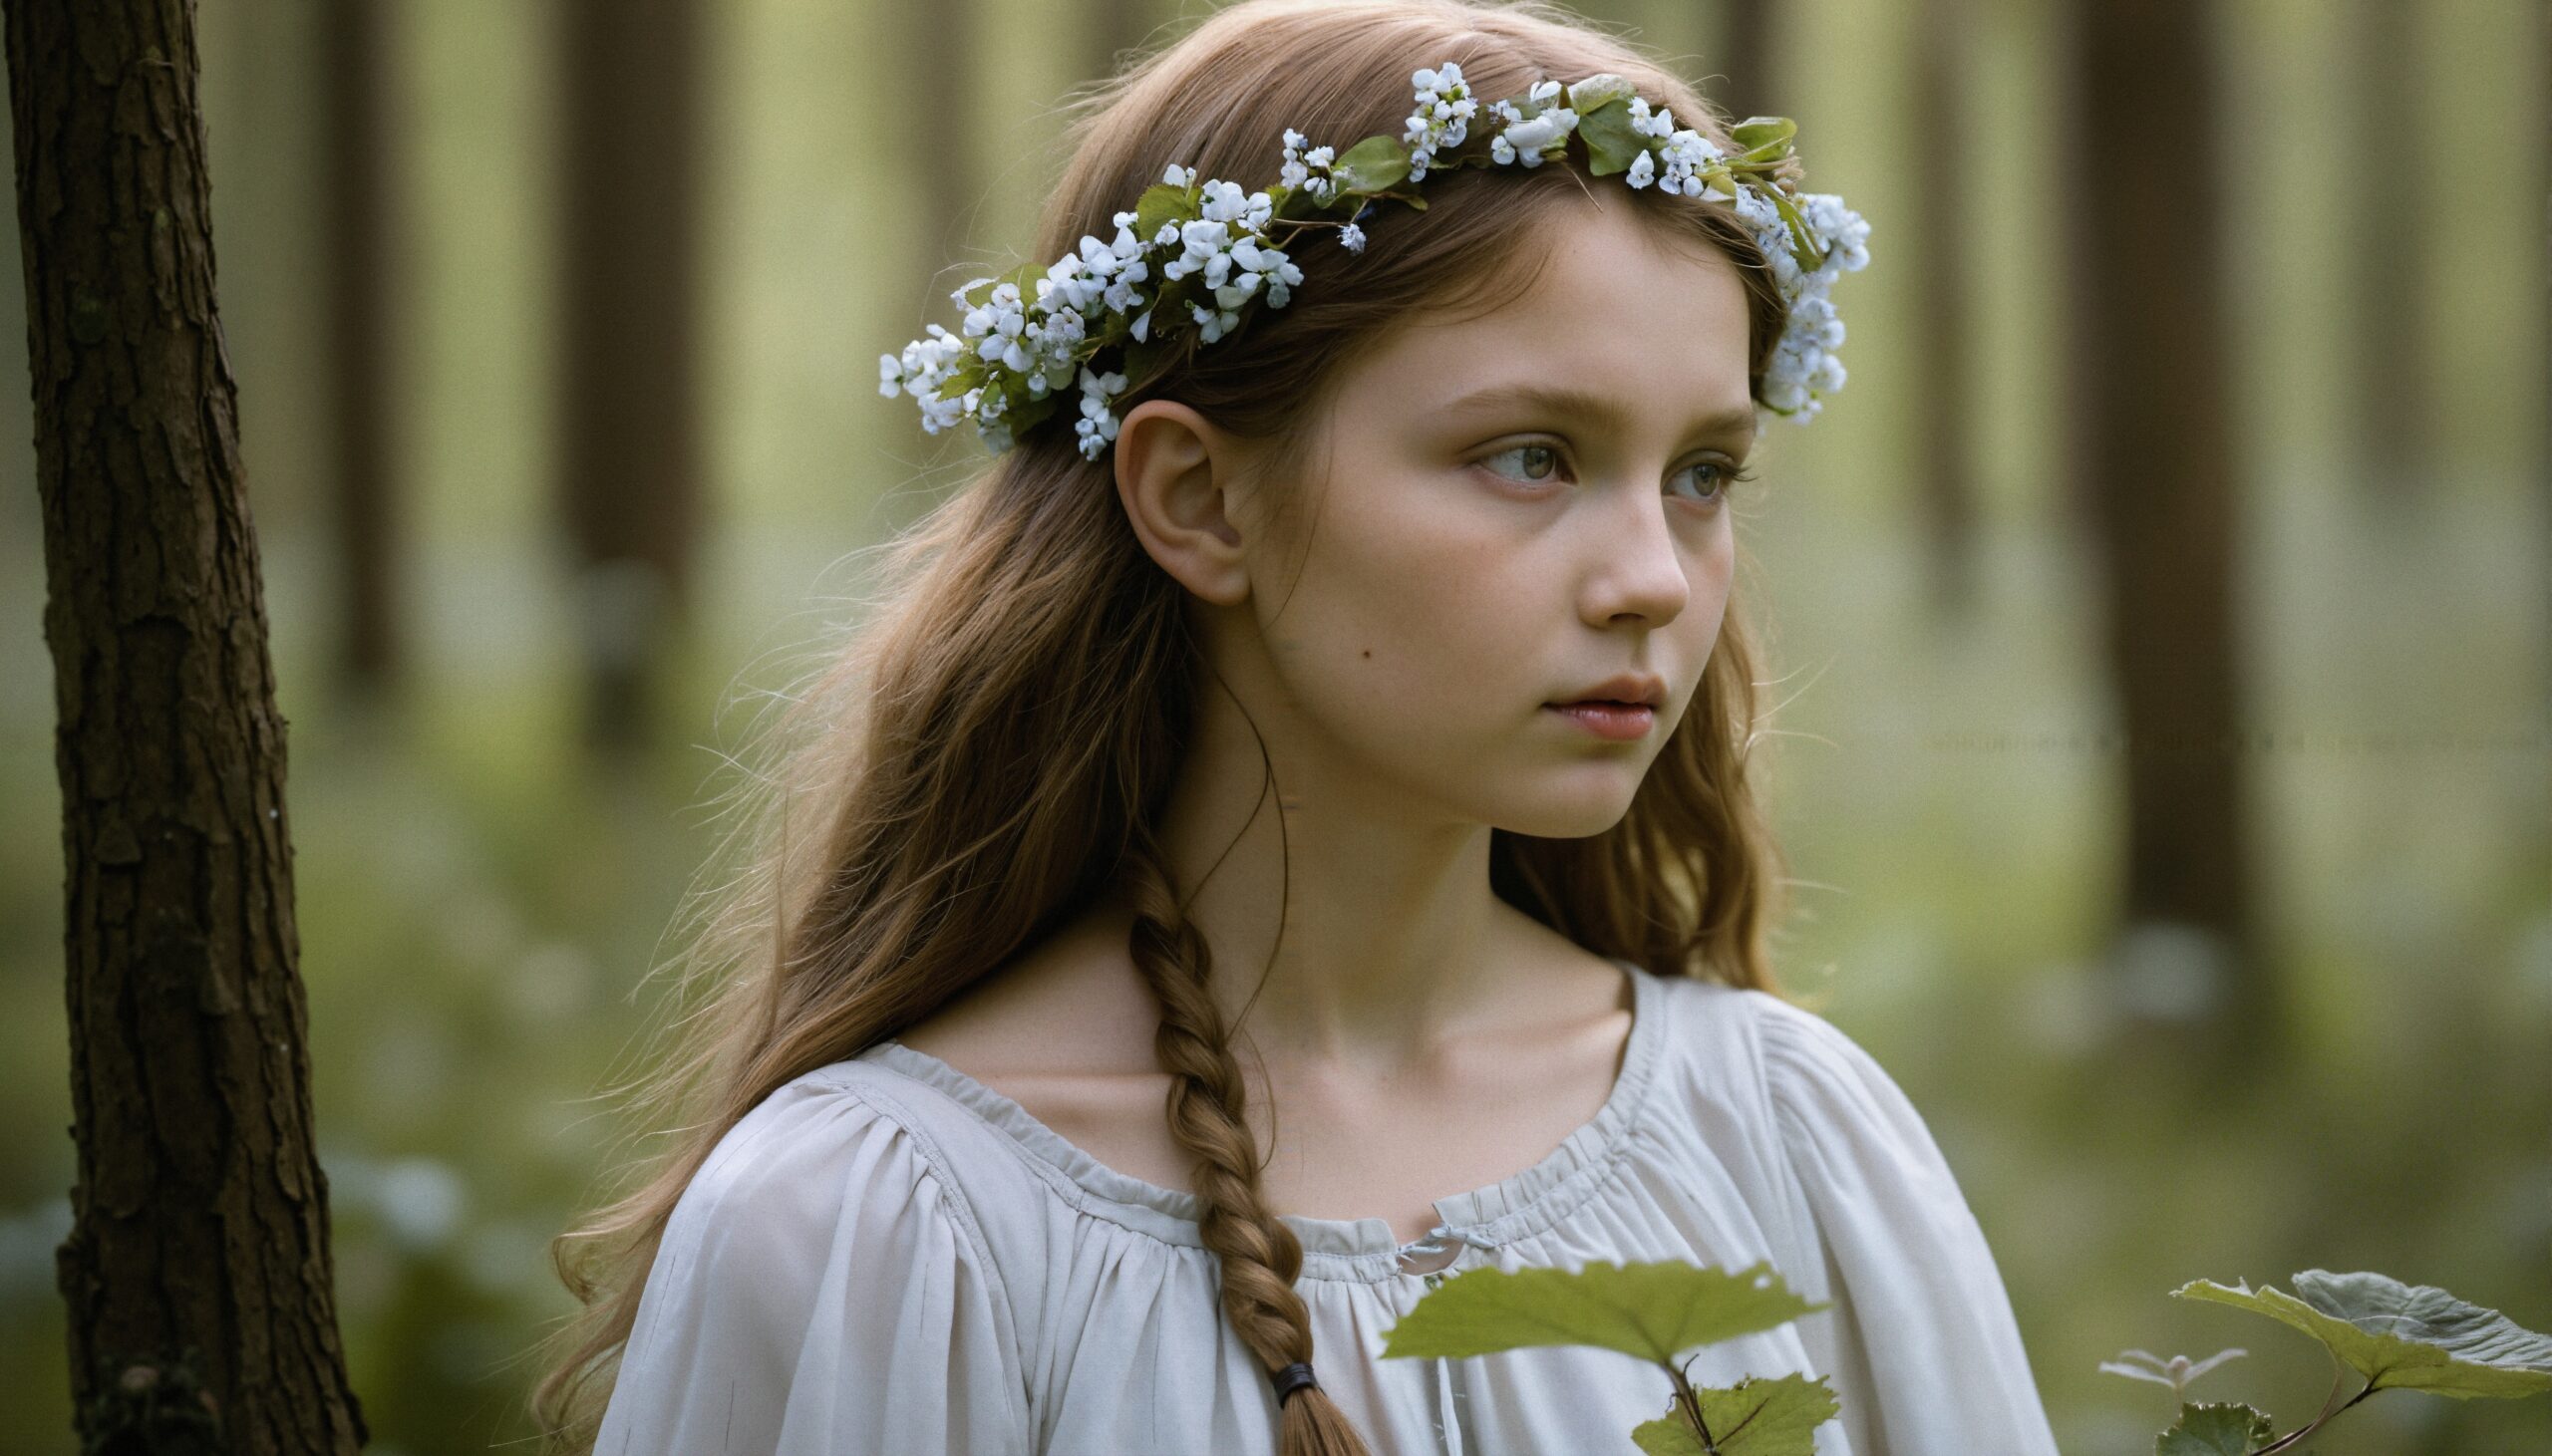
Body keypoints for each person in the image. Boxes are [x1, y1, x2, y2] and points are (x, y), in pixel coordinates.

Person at [530, 1, 2060, 1452]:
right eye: (1531, 456)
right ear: (1198, 498)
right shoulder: (877, 1229)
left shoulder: (1788, 1141)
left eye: (1704, 474)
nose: (1655, 577)